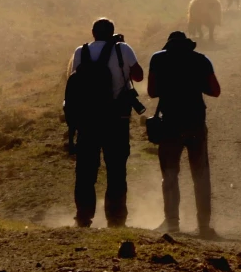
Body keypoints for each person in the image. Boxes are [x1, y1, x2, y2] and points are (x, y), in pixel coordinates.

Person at [67, 18, 143, 229]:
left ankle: (83, 217)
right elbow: (138, 76)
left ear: (93, 33)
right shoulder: (122, 49)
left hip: (87, 120)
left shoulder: (80, 51)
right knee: (116, 170)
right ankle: (116, 219)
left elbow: (75, 82)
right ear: (112, 33)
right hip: (116, 120)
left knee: (85, 172)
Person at [148, 31, 222, 239]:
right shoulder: (201, 60)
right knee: (201, 175)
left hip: (170, 123)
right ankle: (204, 225)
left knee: (170, 174)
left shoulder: (158, 59)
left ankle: (172, 223)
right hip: (196, 122)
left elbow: (152, 92)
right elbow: (215, 90)